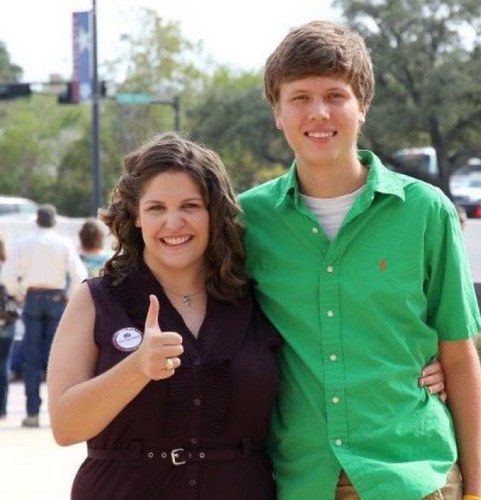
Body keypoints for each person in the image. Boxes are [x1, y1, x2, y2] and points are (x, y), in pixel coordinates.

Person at [238, 20, 481, 499]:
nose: (319, 113)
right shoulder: (248, 221)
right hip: (301, 480)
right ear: (277, 111)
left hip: (414, 477)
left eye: (335, 95)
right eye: (300, 97)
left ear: (362, 106)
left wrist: (478, 491)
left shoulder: (425, 211)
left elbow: (458, 353)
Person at [46, 132, 281, 500]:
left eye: (190, 206)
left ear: (213, 213)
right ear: (136, 216)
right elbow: (65, 426)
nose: (174, 223)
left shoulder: (258, 300)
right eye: (156, 208)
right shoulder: (95, 300)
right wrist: (136, 368)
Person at [1, 204, 88, 428]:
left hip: (33, 298)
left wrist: (20, 293)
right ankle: (56, 412)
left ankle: (32, 413)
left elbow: (7, 276)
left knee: (32, 358)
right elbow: (79, 273)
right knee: (57, 358)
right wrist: (68, 297)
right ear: (54, 222)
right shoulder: (64, 243)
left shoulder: (23, 244)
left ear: (36, 221)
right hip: (56, 299)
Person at [0, 233, 17, 419]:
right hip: (5, 320)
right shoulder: (7, 270)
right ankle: (2, 409)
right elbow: (16, 292)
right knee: (3, 364)